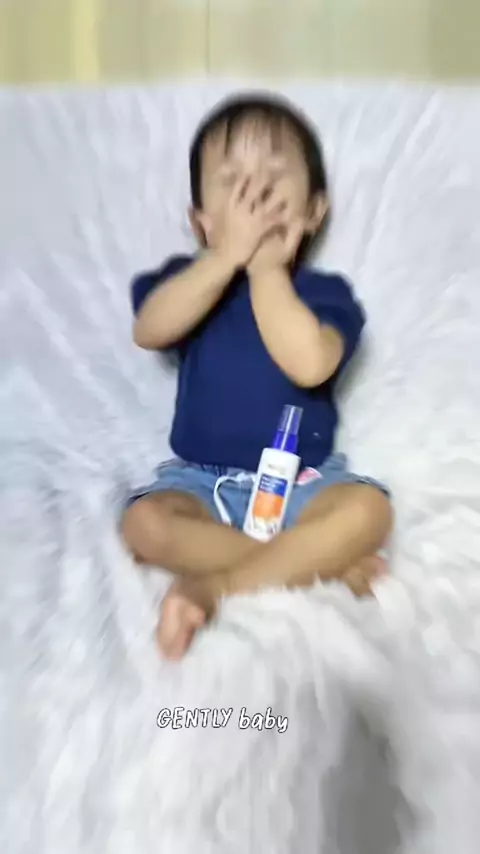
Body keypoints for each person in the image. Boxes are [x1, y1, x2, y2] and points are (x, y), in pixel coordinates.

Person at [122, 93, 393, 660]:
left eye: (273, 178)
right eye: (232, 182)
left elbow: (310, 364)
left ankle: (217, 586)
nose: (255, 195)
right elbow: (149, 329)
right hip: (202, 485)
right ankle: (317, 564)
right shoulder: (189, 281)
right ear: (201, 223)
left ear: (314, 211)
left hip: (303, 483)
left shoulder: (324, 294)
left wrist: (267, 270)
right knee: (144, 524)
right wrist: (225, 260)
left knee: (369, 512)